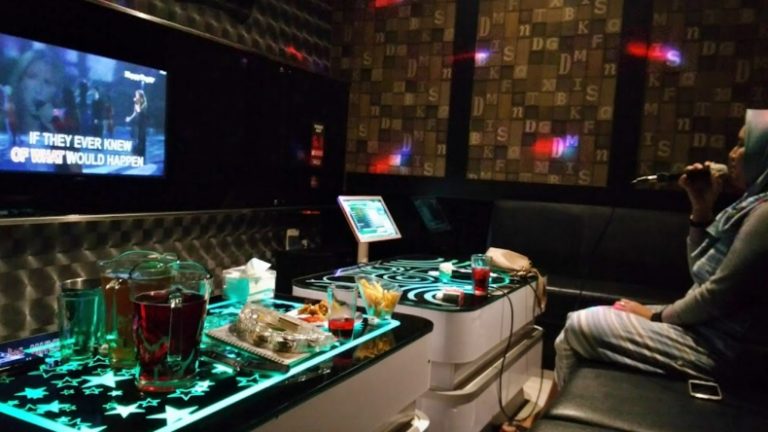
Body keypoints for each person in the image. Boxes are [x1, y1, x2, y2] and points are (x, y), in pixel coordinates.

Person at [554, 110, 768, 390]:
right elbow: (699, 270)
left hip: (721, 349)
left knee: (579, 324)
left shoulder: (764, 214)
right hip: (704, 328)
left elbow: (717, 296)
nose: (732, 154)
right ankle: (558, 411)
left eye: (742, 144)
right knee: (573, 332)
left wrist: (656, 316)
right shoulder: (749, 205)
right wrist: (701, 208)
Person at [5, 49, 63, 144]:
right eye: (32, 77)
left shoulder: (61, 128)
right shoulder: (5, 123)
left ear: (55, 92)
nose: (38, 89)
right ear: (20, 81)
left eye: (47, 82)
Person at [125, 89, 147, 158]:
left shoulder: (144, 103)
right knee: (134, 137)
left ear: (140, 96)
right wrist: (129, 118)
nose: (135, 96)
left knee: (140, 138)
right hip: (136, 122)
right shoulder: (137, 103)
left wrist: (137, 102)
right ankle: (135, 152)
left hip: (141, 123)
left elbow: (139, 111)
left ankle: (140, 154)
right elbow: (135, 113)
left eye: (137, 95)